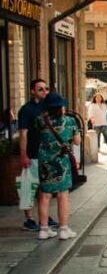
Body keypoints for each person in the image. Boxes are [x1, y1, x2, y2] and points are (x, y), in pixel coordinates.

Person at [35, 92, 81, 241]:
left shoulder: (40, 121)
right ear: (61, 107)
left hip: (45, 162)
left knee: (44, 195)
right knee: (62, 195)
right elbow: (77, 141)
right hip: (62, 161)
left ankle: (43, 229)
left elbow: (36, 136)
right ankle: (63, 229)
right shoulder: (70, 121)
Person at [18, 79, 58, 230]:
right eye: (41, 89)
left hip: (46, 154)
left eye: (46, 89)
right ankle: (29, 219)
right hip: (32, 153)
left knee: (45, 187)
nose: (44, 91)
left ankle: (44, 215)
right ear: (32, 91)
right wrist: (24, 155)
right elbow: (23, 134)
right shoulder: (26, 110)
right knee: (28, 186)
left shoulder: (47, 108)